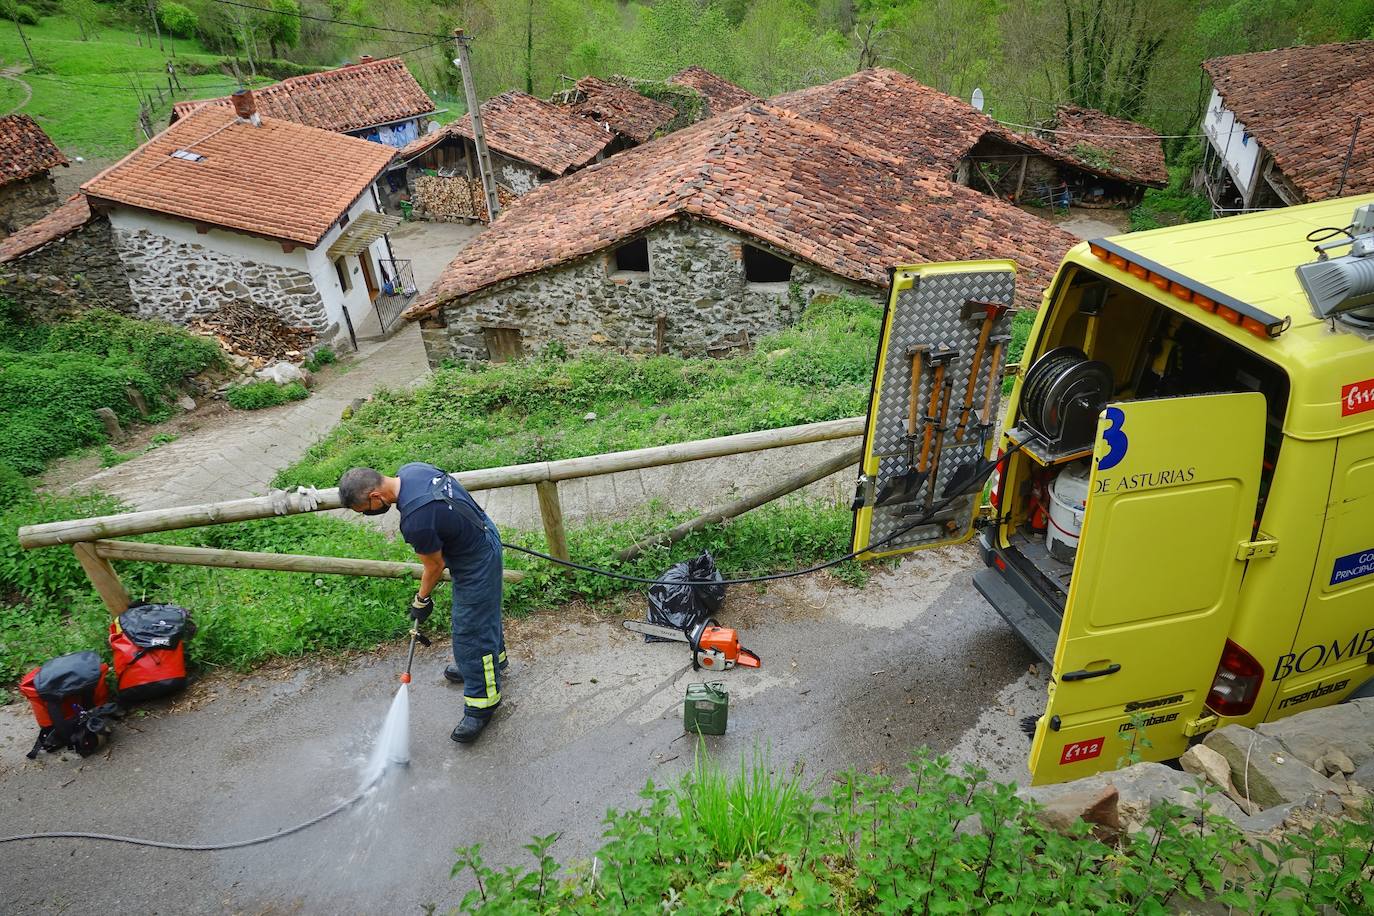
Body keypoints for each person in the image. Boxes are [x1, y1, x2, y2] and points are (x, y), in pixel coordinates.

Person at [338, 463, 507, 743]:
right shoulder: (413, 470)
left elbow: (434, 566)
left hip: (476, 560)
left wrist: (422, 599)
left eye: (365, 510)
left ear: (375, 497)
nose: (368, 514)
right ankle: (489, 664)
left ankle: (482, 705)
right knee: (482, 615)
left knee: (470, 632)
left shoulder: (415, 519)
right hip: (482, 532)